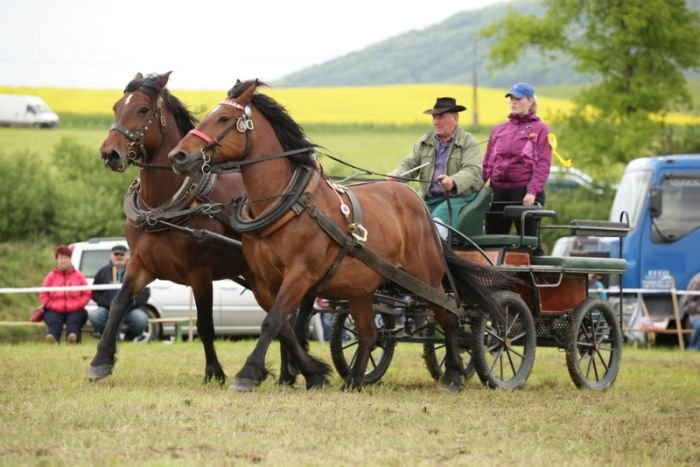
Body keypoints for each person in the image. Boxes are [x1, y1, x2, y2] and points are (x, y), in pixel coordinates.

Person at [388, 97, 484, 233]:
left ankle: (439, 253)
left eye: (441, 117)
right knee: (403, 223)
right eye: (434, 117)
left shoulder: (469, 142)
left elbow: (472, 170)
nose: (436, 122)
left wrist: (453, 182)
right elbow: (409, 164)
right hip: (428, 198)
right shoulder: (424, 141)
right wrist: (397, 175)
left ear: (455, 118)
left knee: (435, 229)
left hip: (458, 198)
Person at [483, 82, 552, 256]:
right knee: (492, 243)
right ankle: (494, 281)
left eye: (518, 99)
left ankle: (534, 280)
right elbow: (488, 161)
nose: (513, 102)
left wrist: (532, 191)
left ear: (530, 101)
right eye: (511, 99)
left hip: (524, 192)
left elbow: (543, 163)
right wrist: (479, 186)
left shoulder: (541, 129)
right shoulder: (500, 129)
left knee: (529, 245)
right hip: (498, 190)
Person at [89, 244, 150, 341]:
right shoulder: (102, 272)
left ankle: (128, 338)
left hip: (129, 309)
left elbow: (145, 293)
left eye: (121, 254)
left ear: (127, 257)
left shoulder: (136, 271)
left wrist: (131, 304)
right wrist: (106, 304)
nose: (119, 257)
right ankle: (107, 338)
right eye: (116, 254)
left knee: (141, 319)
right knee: (95, 316)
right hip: (108, 309)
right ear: (111, 256)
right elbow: (94, 293)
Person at [39, 244, 91, 343]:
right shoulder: (50, 276)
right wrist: (51, 305)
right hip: (54, 310)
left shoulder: (79, 276)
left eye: (66, 257)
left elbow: (87, 293)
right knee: (54, 321)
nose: (64, 260)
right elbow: (43, 294)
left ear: (70, 259)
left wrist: (78, 304)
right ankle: (53, 338)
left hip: (76, 309)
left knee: (74, 321)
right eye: (61, 258)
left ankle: (72, 338)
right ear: (57, 260)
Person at [682, 273, 700, 351]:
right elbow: (686, 303)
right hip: (697, 314)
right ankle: (693, 349)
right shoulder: (697, 280)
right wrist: (698, 308)